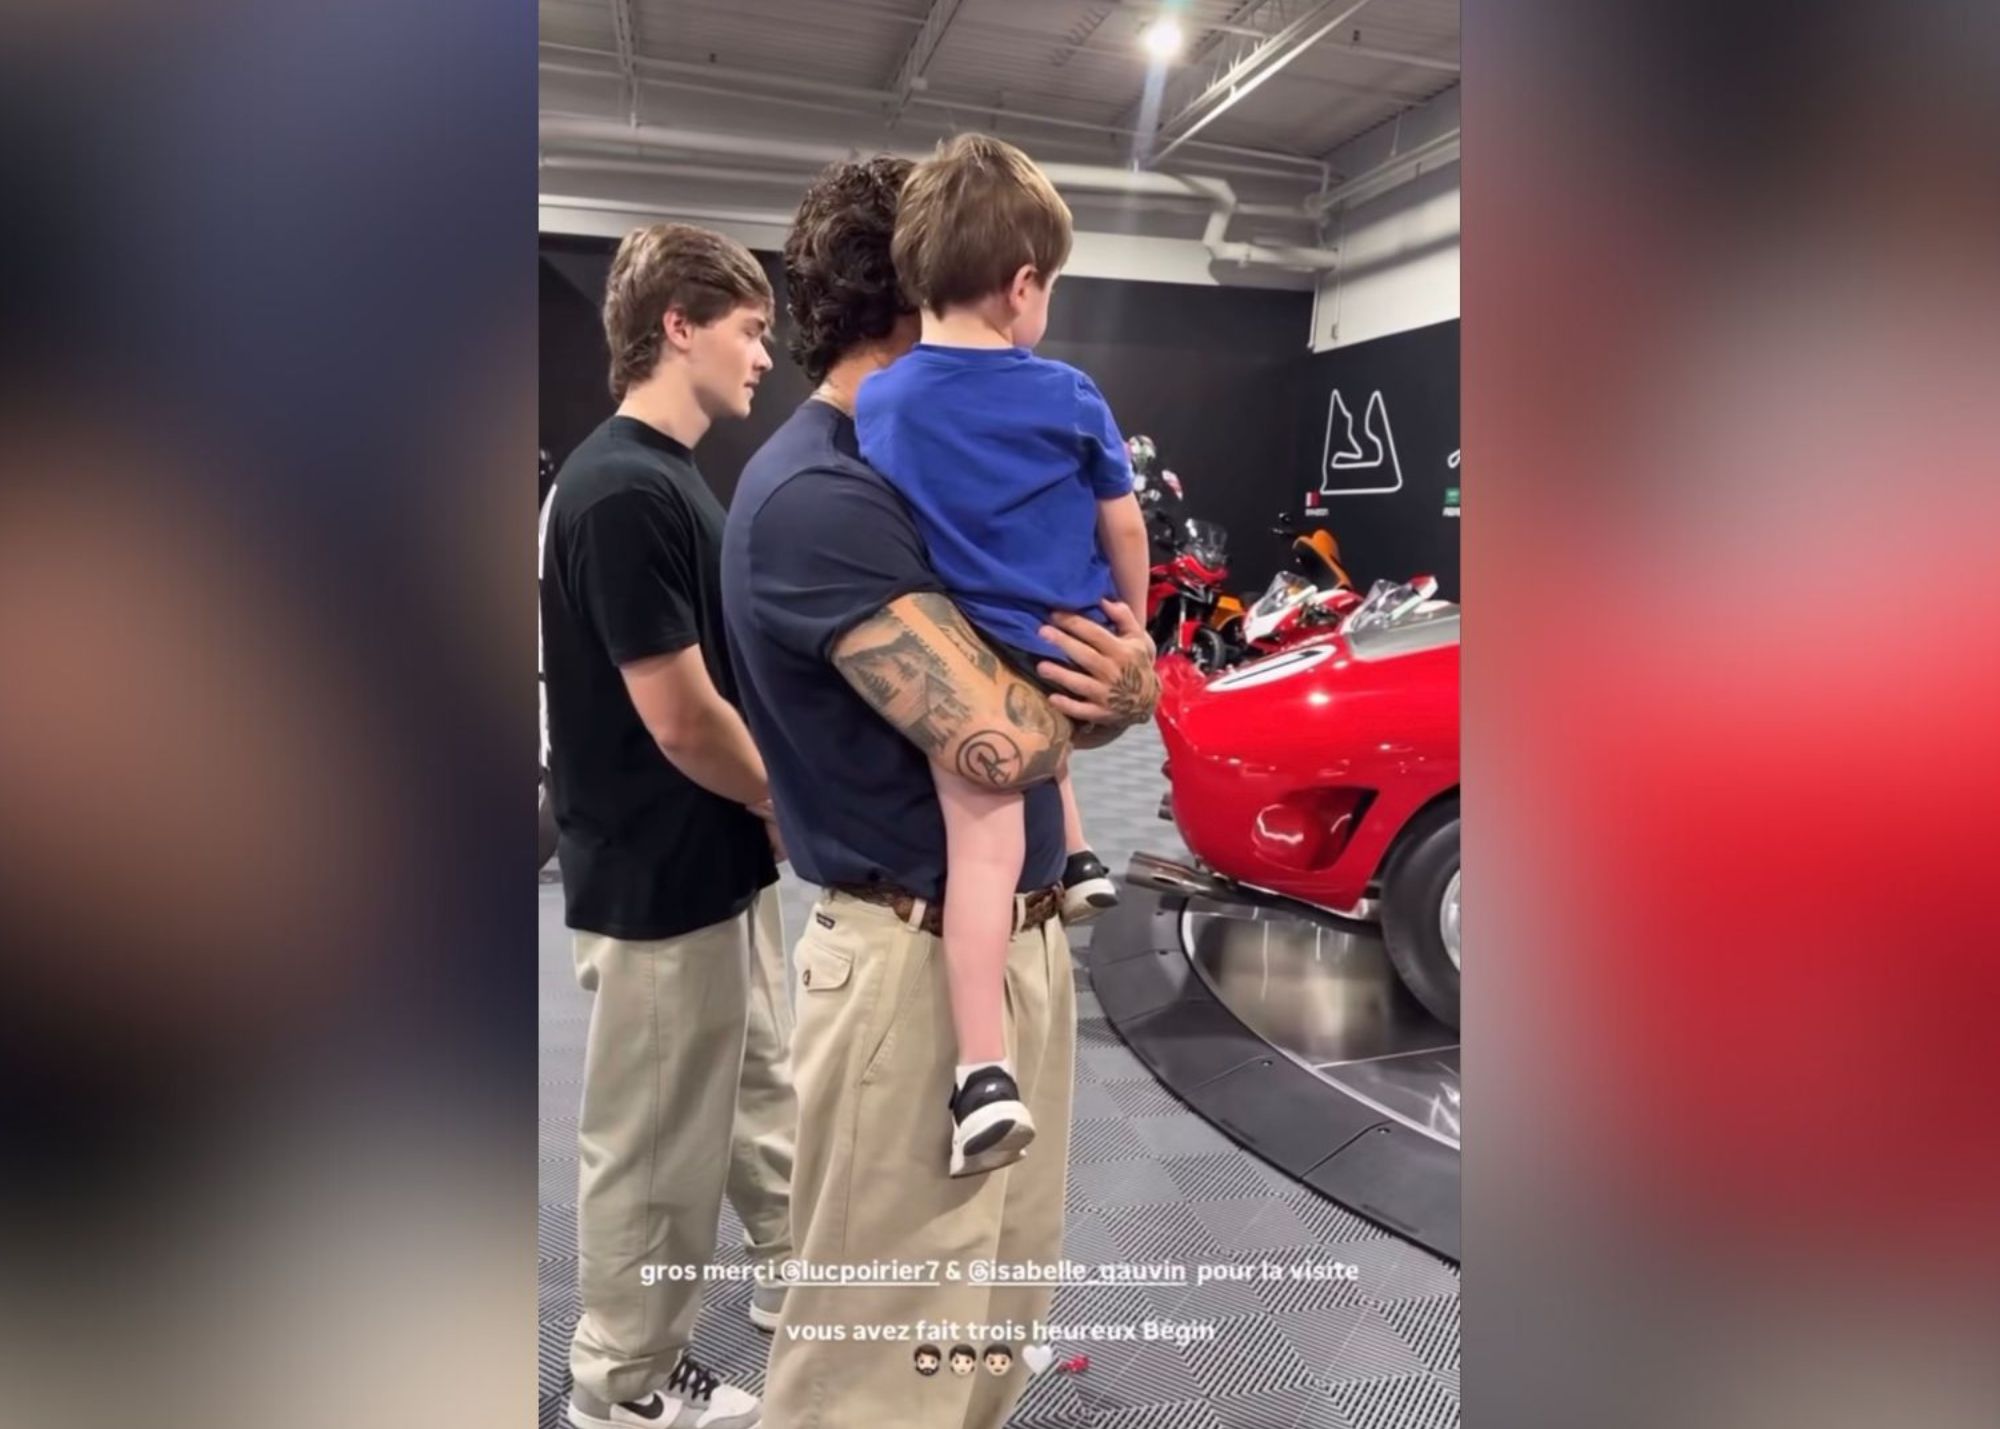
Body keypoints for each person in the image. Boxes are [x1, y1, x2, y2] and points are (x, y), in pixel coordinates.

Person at [721, 155, 1159, 1429]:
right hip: (907, 974)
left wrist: (1113, 676)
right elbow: (1001, 743)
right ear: (920, 292)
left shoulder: (921, 467)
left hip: (1014, 936)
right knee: (877, 1379)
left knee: (985, 1336)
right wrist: (1124, 686)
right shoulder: (821, 497)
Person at [854, 133, 1149, 1177]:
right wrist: (1134, 622)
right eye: (1051, 286)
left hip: (964, 663)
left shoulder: (881, 400)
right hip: (1068, 637)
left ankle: (984, 1075)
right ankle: (1074, 860)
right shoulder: (1069, 394)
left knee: (978, 857)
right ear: (1023, 285)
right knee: (1052, 747)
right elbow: (1123, 522)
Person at [541, 222, 796, 1429]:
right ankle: (622, 1385)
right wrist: (783, 800)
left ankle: (799, 1277)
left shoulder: (666, 475)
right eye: (750, 329)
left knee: (757, 1091)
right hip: (655, 876)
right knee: (652, 1151)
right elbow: (683, 719)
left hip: (712, 860)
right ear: (677, 325)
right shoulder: (619, 489)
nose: (766, 355)